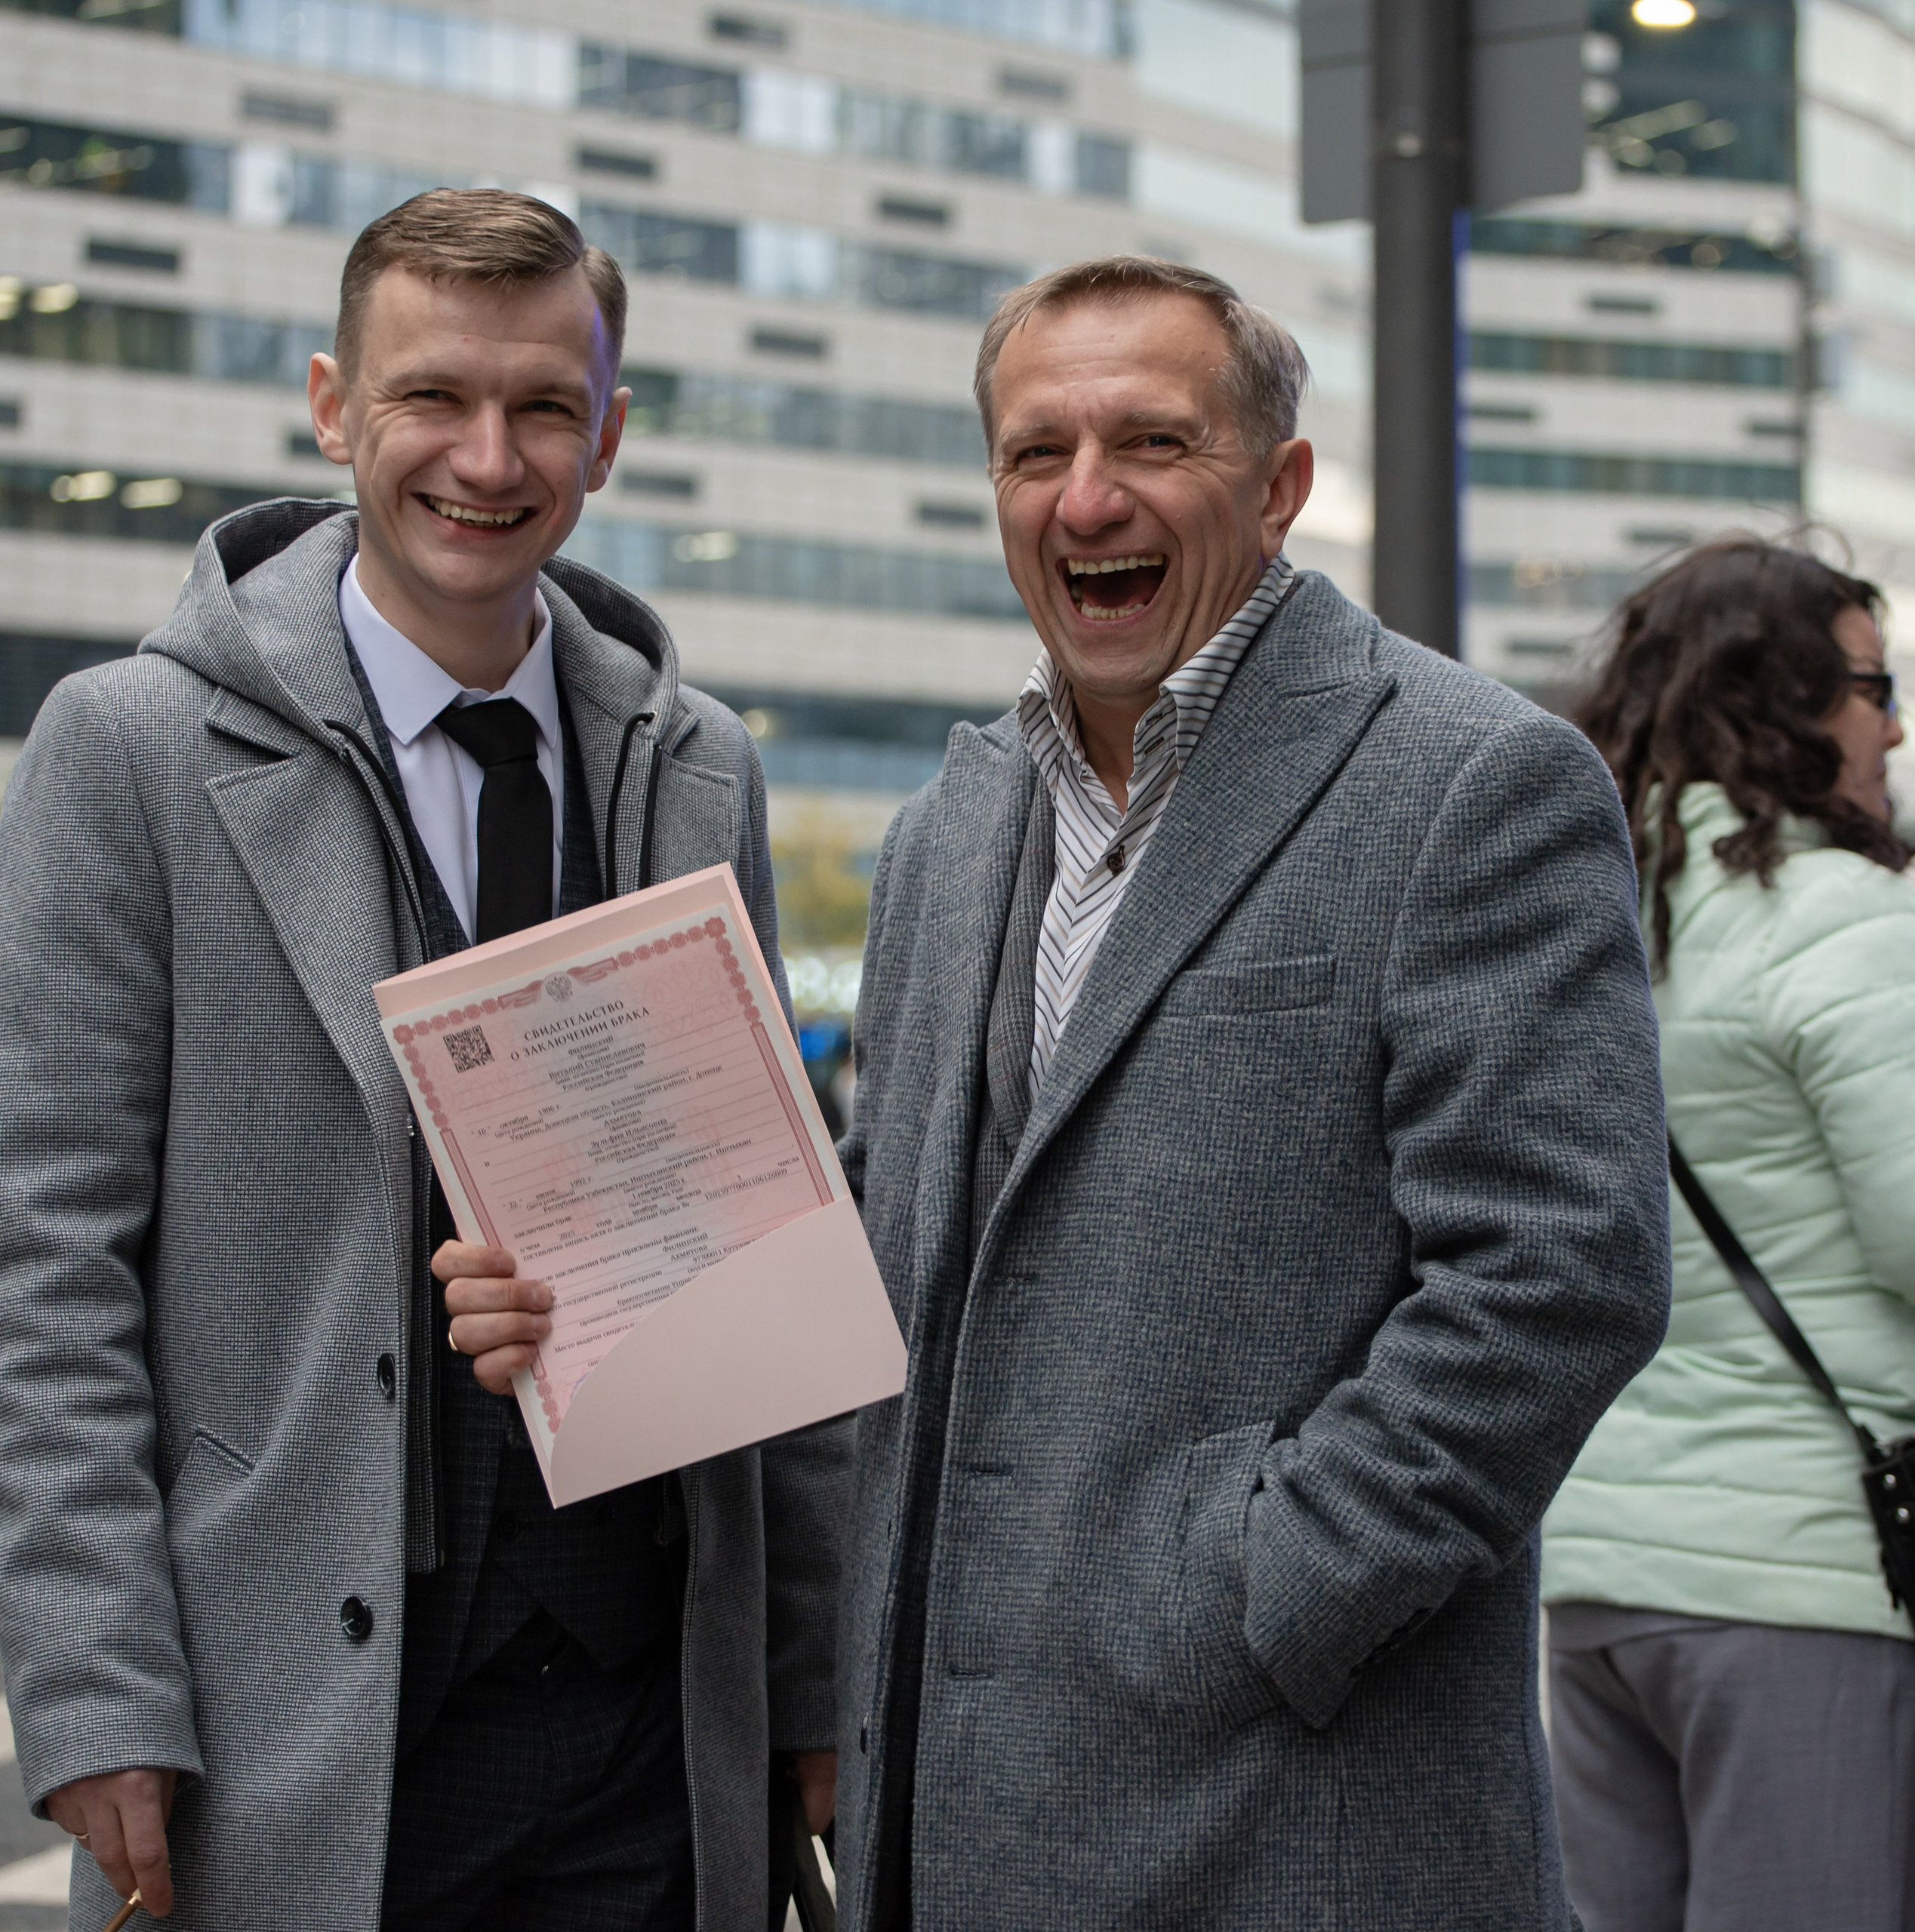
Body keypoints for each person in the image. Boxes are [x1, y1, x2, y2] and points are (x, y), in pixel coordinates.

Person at [0, 189, 842, 1931]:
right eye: (431, 397)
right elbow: (43, 1258)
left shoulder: (699, 768)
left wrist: (812, 1675)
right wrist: (90, 1676)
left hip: (646, 1720)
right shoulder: (129, 749)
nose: (487, 455)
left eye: (542, 406)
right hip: (289, 1716)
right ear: (332, 407)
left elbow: (770, 1235)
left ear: (607, 435)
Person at [827, 254, 1672, 1930]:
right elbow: (880, 1249)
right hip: (952, 1817)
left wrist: (1264, 1589)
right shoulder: (944, 830)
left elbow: (1558, 1273)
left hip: (1288, 1814)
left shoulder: (1472, 781)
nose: (1086, 499)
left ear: (1279, 485)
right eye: (1035, 451)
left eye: (1152, 441)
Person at [1542, 536, 1915, 1932]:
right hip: (1802, 1576)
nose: (1894, 729)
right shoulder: (1842, 917)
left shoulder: (1593, 919)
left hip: (1598, 1575)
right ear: (1784, 704)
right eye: (1874, 689)